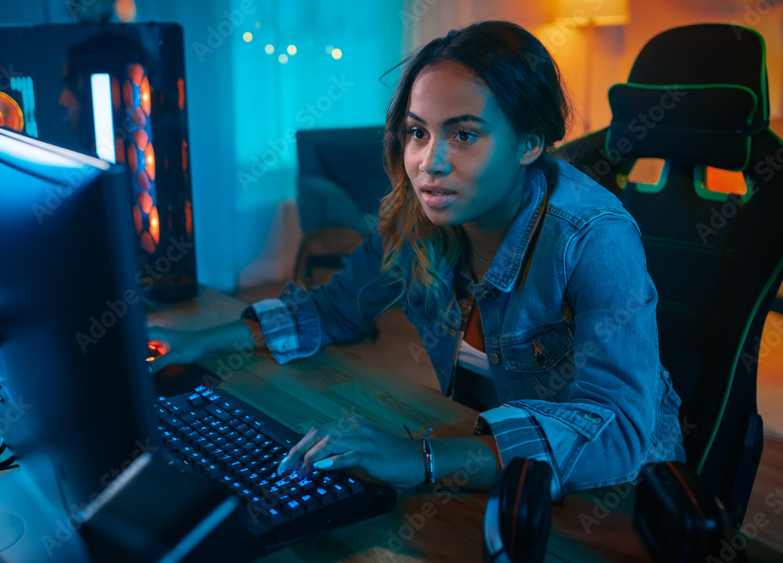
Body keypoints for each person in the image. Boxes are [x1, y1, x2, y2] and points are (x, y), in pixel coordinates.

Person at [148, 20, 685, 497]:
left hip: (617, 496)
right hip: (485, 465)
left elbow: (618, 431)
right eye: (418, 132)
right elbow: (334, 311)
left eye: (465, 134)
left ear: (529, 143)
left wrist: (423, 459)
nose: (430, 163)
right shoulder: (416, 215)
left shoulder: (593, 237)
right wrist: (201, 341)